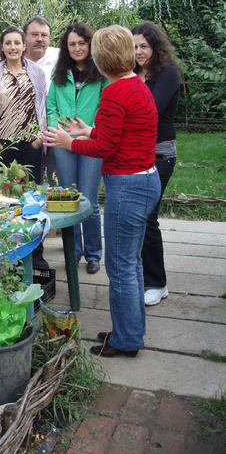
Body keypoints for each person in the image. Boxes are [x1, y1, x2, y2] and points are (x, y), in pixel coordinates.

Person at [44, 25, 161, 357]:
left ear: (101, 57)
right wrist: (89, 129)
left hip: (127, 186)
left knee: (121, 265)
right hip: (145, 179)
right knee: (132, 262)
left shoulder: (113, 92)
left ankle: (125, 341)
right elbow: (121, 132)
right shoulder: (134, 85)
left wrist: (70, 141)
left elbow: (104, 148)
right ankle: (130, 330)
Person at [0, 25, 48, 268]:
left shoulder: (37, 73)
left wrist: (40, 138)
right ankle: (7, 256)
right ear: (1, 47)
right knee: (4, 201)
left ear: (24, 46)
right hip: (2, 147)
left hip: (31, 144)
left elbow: (42, 107)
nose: (13, 47)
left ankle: (36, 255)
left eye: (17, 43)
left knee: (33, 202)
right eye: (8, 43)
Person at [47, 23, 108, 274]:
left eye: (82, 43)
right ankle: (73, 251)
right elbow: (51, 107)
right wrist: (57, 129)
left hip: (91, 143)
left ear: (90, 44)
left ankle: (93, 253)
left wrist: (89, 130)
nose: (77, 48)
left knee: (90, 200)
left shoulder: (101, 74)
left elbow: (105, 109)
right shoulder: (60, 75)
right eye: (72, 44)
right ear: (66, 47)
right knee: (68, 200)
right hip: (63, 144)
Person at [132, 22, 180, 306]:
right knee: (141, 217)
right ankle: (146, 276)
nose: (138, 52)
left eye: (144, 47)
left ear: (155, 47)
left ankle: (157, 283)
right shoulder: (135, 74)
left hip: (160, 155)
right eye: (134, 47)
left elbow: (147, 110)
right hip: (137, 154)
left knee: (148, 216)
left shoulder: (167, 74)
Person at [24, 16, 60, 185]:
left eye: (44, 35)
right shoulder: (15, 61)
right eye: (34, 34)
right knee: (26, 183)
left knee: (58, 184)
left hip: (55, 133)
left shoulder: (59, 58)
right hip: (24, 136)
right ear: (25, 37)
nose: (40, 39)